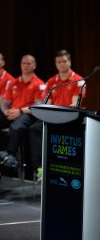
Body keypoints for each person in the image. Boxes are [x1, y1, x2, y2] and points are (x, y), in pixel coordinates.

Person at [29, 49, 85, 179]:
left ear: (69, 62)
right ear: (55, 64)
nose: (62, 64)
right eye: (59, 62)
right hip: (53, 117)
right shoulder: (51, 82)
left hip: (70, 117)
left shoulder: (79, 80)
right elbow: (47, 103)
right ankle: (40, 167)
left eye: (64, 61)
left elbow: (75, 104)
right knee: (35, 128)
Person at [0, 55, 45, 167]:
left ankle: (11, 155)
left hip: (28, 114)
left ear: (34, 65)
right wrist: (6, 112)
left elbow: (38, 105)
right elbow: (5, 102)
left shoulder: (39, 84)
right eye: (23, 63)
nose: (25, 66)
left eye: (29, 63)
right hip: (12, 113)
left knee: (16, 127)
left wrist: (20, 111)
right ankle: (2, 152)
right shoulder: (14, 83)